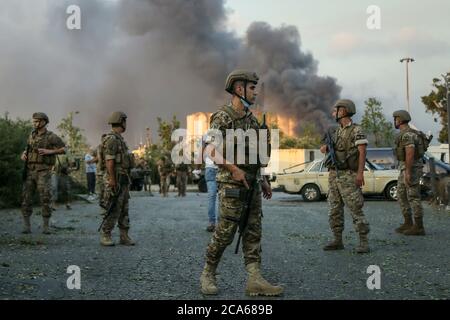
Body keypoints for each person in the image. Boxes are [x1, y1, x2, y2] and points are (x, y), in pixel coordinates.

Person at [200, 69, 283, 297]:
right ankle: (208, 273)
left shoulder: (251, 120)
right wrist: (233, 169)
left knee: (253, 231)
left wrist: (263, 178)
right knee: (225, 233)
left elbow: (256, 154)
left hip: (252, 184)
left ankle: (254, 279)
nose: (255, 91)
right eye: (252, 87)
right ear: (239, 88)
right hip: (231, 185)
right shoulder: (222, 117)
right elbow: (209, 149)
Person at [320, 99, 370, 254]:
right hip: (334, 174)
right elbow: (325, 149)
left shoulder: (356, 130)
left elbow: (362, 152)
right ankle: (337, 240)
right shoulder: (336, 131)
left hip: (349, 174)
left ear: (344, 111)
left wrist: (360, 173)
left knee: (355, 208)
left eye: (337, 110)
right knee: (334, 209)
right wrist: (326, 148)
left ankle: (364, 241)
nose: (334, 112)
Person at [21, 112, 66, 234]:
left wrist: (49, 151)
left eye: (37, 121)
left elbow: (64, 149)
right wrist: (24, 154)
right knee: (26, 198)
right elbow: (28, 148)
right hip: (30, 170)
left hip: (43, 171)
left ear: (44, 122)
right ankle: (26, 226)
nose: (34, 123)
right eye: (33, 121)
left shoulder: (51, 136)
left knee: (45, 198)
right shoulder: (31, 135)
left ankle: (46, 226)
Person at [99, 111, 135, 246]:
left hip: (123, 178)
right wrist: (112, 180)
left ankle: (124, 236)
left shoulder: (119, 139)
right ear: (122, 122)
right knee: (113, 207)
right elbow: (109, 161)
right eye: (125, 121)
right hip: (116, 178)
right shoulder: (112, 139)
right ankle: (106, 235)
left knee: (124, 208)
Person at [393, 110, 427, 236]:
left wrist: (408, 172)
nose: (395, 121)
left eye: (396, 118)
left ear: (401, 120)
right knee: (401, 195)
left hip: (411, 169)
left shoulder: (408, 135)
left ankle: (419, 226)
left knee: (413, 196)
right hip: (404, 168)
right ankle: (408, 222)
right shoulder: (404, 133)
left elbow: (410, 153)